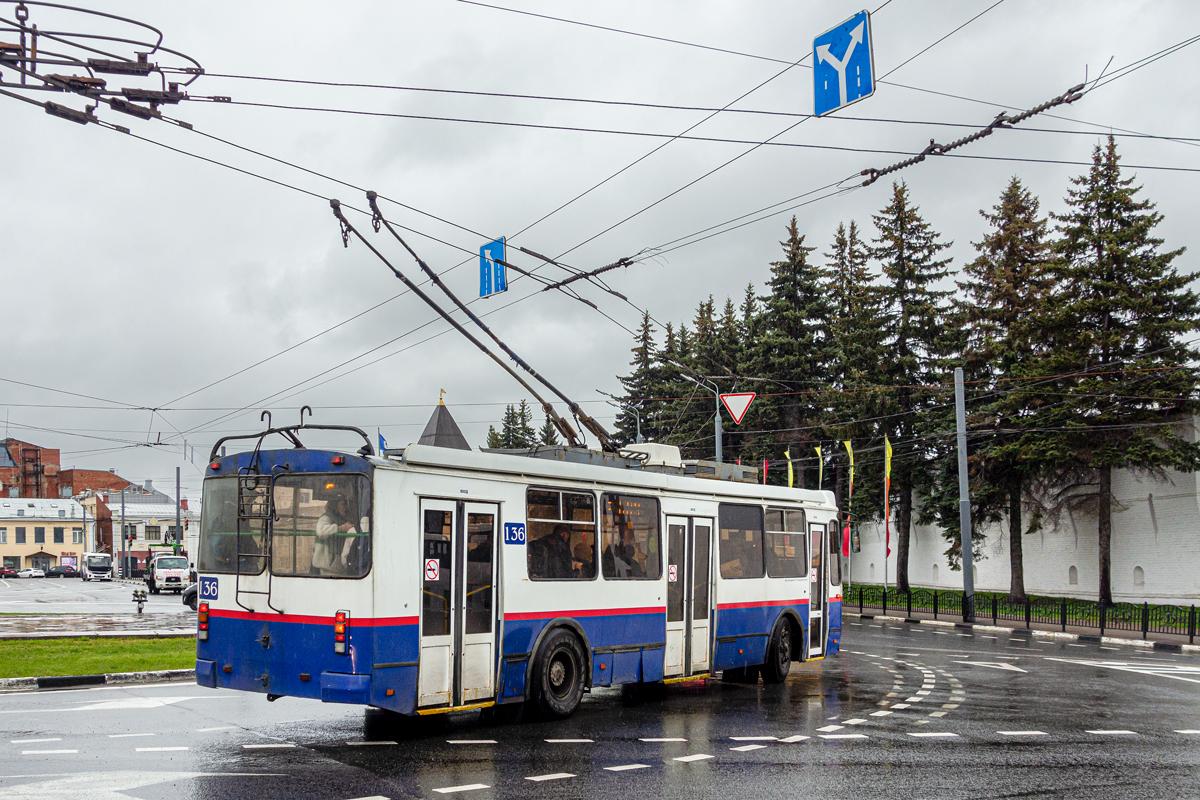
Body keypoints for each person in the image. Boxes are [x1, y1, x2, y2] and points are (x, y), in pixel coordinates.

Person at [314, 493, 357, 575]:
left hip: (340, 564)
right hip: (329, 565)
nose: (345, 507)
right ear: (335, 505)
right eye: (343, 504)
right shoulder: (326, 517)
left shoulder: (344, 517)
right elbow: (321, 531)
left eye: (346, 504)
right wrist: (341, 528)